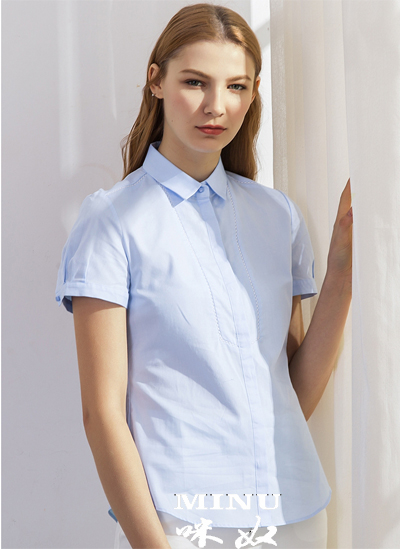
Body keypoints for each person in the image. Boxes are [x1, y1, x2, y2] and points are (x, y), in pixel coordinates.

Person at [55, 4, 353, 549]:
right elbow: (102, 413)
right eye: (195, 82)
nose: (217, 106)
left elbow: (287, 389)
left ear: (254, 92)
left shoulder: (277, 216)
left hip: (297, 514)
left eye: (236, 86)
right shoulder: (112, 220)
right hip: (181, 523)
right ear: (156, 81)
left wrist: (341, 273)